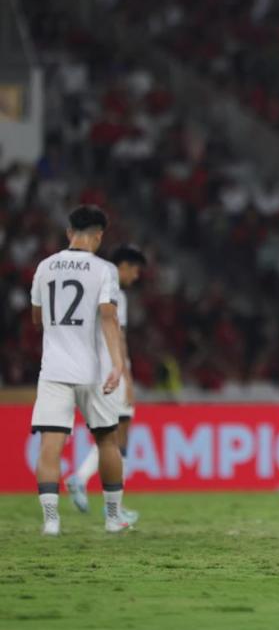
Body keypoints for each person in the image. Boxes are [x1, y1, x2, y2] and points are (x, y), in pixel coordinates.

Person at [29, 205, 130, 535]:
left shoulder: (44, 267)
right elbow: (108, 317)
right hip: (93, 370)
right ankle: (113, 517)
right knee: (107, 440)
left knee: (51, 443)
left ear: (69, 233)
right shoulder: (105, 270)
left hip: (54, 369)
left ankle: (51, 521)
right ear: (99, 236)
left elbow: (36, 319)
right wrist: (117, 365)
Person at [65, 244, 147, 524]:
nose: (135, 277)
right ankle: (106, 499)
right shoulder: (114, 292)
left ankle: (89, 484)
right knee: (117, 438)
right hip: (113, 370)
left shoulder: (92, 286)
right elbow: (119, 337)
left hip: (93, 369)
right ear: (123, 265)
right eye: (135, 270)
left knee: (109, 437)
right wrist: (128, 377)